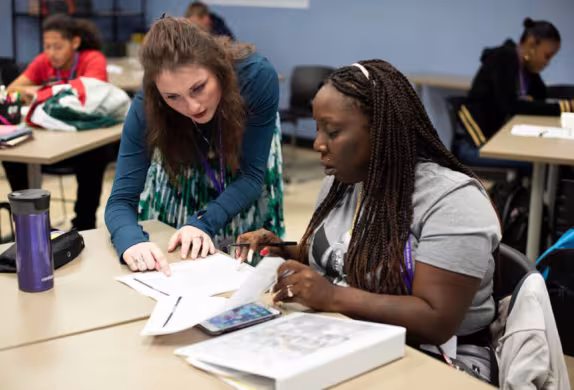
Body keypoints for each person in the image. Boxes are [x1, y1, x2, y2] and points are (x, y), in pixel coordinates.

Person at [237, 60, 501, 382]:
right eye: (318, 129)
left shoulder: (453, 201)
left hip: (436, 359)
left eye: (332, 131)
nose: (318, 143)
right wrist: (285, 251)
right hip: (350, 335)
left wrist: (332, 296)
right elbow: (343, 256)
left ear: (381, 129)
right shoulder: (344, 182)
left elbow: (436, 319)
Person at [105, 16, 284, 275]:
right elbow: (121, 199)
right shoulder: (148, 104)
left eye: (199, 88)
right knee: (182, 258)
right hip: (182, 166)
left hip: (242, 168)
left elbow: (251, 176)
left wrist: (203, 222)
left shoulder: (255, 77)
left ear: (218, 68)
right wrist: (130, 241)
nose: (193, 107)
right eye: (172, 97)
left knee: (244, 272)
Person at [3, 14, 110, 231]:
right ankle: (31, 224)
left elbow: (88, 95)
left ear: (75, 42)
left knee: (95, 156)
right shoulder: (44, 61)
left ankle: (83, 225)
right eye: (47, 46)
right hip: (51, 135)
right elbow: (13, 89)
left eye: (57, 46)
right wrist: (54, 92)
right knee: (14, 158)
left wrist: (39, 92)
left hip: (81, 137)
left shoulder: (92, 59)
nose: (51, 52)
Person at [457, 18, 572, 167]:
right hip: (475, 146)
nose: (547, 63)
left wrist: (566, 101)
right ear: (531, 44)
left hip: (495, 140)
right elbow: (511, 105)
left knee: (545, 162)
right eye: (547, 55)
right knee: (540, 164)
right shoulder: (503, 58)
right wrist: (565, 107)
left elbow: (541, 95)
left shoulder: (523, 67)